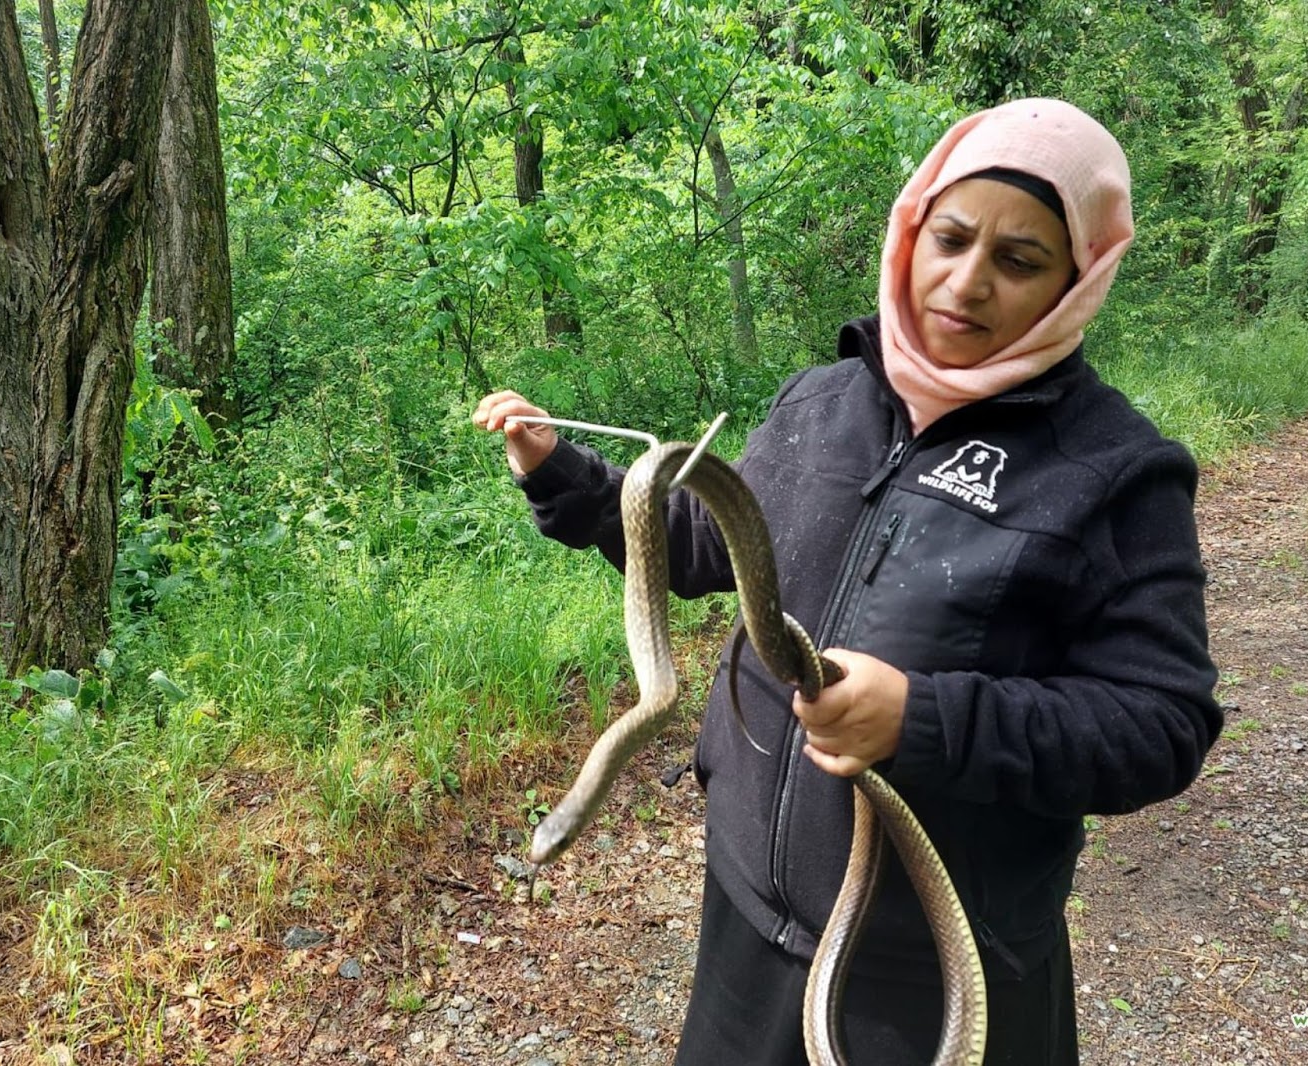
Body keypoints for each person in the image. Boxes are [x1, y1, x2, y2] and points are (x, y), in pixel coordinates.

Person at [472, 98, 1220, 1065]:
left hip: (934, 971)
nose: (967, 281)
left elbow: (1160, 726)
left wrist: (922, 718)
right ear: (911, 230)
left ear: (1080, 280)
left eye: (1020, 260)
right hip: (749, 911)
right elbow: (707, 544)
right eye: (949, 238)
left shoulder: (1116, 471)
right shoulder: (821, 400)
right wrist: (563, 475)